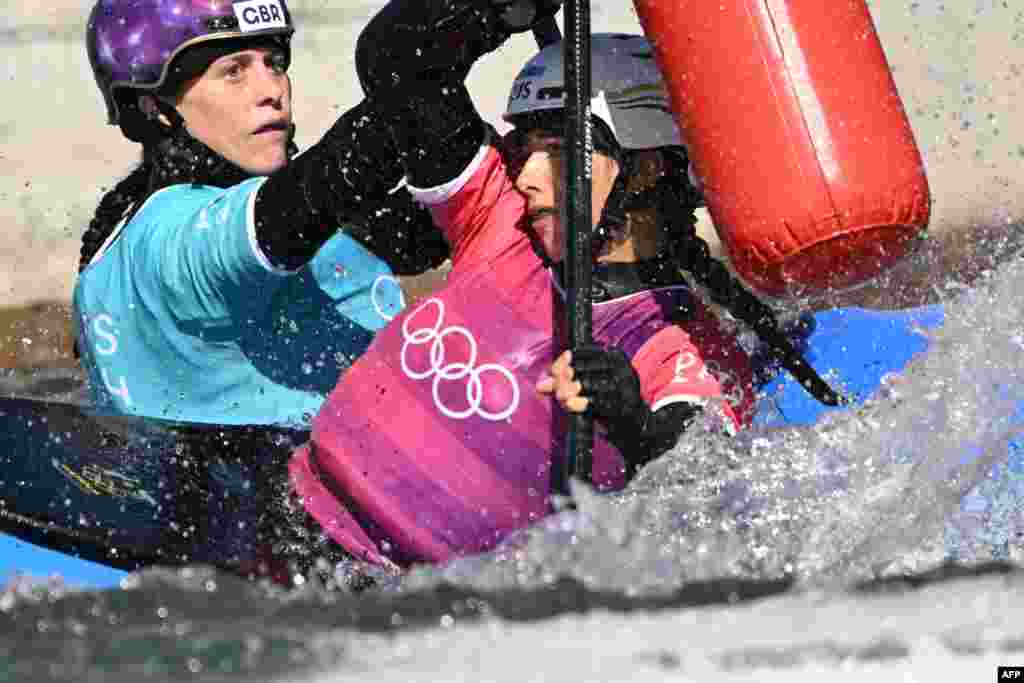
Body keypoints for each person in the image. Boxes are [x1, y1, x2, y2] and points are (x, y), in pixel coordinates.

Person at [273, 0, 836, 579]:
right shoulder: (498, 212)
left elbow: (706, 481)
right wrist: (504, 8)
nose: (526, 174)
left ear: (644, 170)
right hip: (290, 517)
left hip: (416, 601)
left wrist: (633, 421)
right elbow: (398, 60)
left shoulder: (683, 348)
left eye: (560, 153)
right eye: (528, 148)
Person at [73, 0, 448, 428]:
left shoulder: (298, 225)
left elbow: (389, 226)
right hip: (250, 486)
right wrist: (418, 75)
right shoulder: (169, 238)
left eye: (274, 63)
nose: (272, 90)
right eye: (234, 71)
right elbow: (301, 204)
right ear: (153, 106)